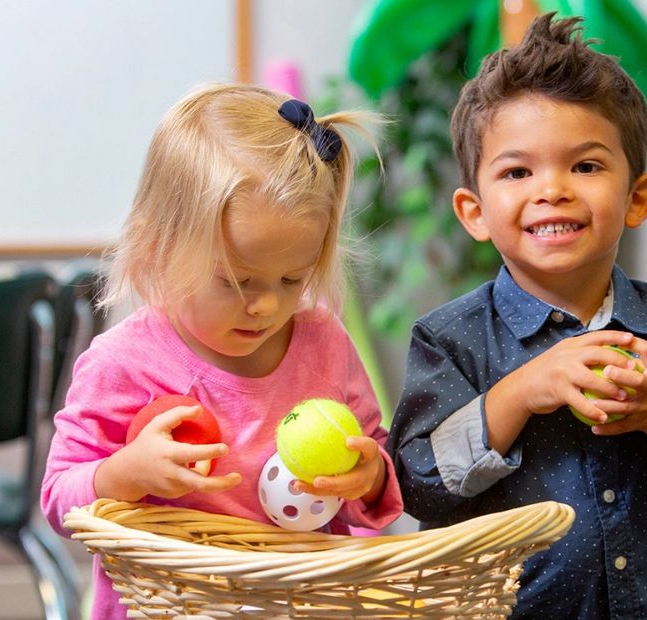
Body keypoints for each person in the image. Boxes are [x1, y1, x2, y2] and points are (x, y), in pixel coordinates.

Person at [387, 14, 647, 618]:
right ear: (474, 212)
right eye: (517, 172)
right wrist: (521, 392)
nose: (552, 189)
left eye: (586, 166)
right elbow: (415, 484)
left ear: (637, 198)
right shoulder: (449, 340)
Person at [41, 84, 404, 620]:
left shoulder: (324, 343)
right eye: (236, 281)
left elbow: (378, 470)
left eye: (292, 279)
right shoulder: (122, 363)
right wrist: (124, 473)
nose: (266, 305)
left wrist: (368, 477)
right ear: (160, 249)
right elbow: (58, 497)